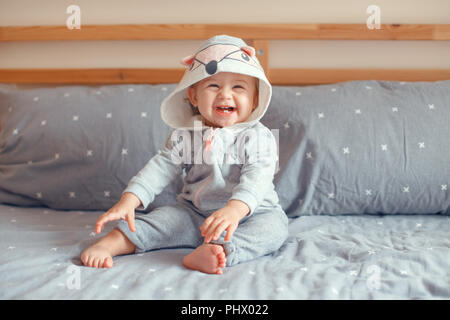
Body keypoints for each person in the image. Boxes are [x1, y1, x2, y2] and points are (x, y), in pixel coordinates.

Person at [80, 35, 288, 274]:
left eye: (238, 87)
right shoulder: (187, 135)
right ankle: (111, 244)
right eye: (213, 85)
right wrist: (130, 199)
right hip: (195, 214)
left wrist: (235, 210)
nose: (225, 95)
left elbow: (258, 176)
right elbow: (162, 166)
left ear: (254, 101)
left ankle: (223, 250)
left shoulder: (258, 136)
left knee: (274, 229)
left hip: (251, 214)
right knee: (159, 221)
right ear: (194, 96)